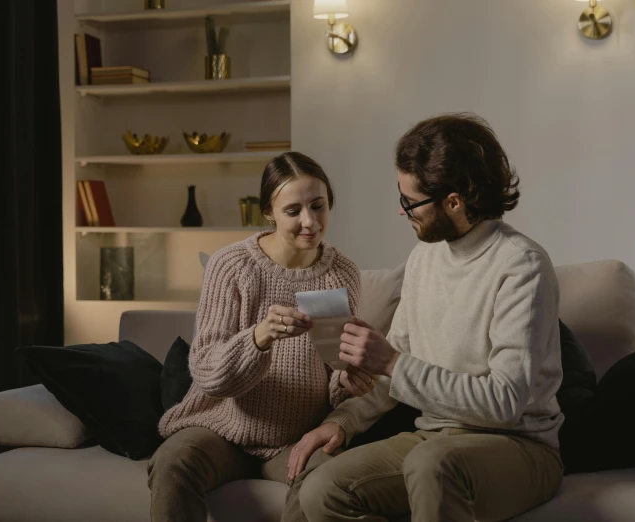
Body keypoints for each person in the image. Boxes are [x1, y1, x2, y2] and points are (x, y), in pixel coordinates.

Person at [296, 113, 565, 522]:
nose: (403, 212)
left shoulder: (521, 265)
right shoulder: (424, 258)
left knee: (431, 463)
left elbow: (506, 403)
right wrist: (344, 421)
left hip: (519, 447)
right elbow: (396, 368)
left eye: (411, 201)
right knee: (320, 491)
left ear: (454, 201)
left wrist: (390, 361)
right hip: (433, 438)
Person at [147, 151, 376, 522]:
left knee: (327, 480)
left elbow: (338, 369)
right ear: (268, 211)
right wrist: (258, 337)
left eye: (318, 206)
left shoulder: (342, 272)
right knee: (173, 462)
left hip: (297, 438)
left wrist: (349, 378)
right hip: (221, 430)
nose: (310, 222)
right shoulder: (232, 266)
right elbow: (206, 372)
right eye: (293, 211)